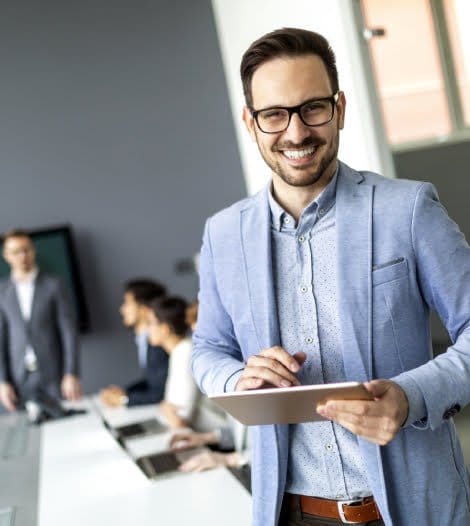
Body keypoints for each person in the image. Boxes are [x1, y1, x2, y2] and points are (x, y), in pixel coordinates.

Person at [192, 27, 470, 526]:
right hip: (292, 513)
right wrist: (238, 378)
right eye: (274, 114)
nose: (296, 133)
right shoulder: (223, 234)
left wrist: (410, 398)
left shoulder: (407, 209)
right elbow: (208, 349)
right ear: (250, 123)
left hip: (412, 509)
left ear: (339, 108)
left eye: (313, 108)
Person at [0, 229, 81, 411]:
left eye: (26, 249)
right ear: (6, 256)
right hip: (18, 377)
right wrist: (2, 381)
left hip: (54, 374)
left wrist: (71, 373)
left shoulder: (54, 285)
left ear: (33, 250)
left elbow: (68, 331)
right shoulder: (2, 292)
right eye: (15, 252)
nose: (22, 256)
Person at [100, 279, 169, 407]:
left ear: (144, 309)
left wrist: (124, 399)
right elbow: (151, 381)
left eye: (127, 303)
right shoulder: (145, 340)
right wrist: (124, 392)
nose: (122, 309)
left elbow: (160, 392)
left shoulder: (158, 344)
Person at [147, 295, 199, 429]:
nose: (148, 329)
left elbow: (180, 420)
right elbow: (168, 407)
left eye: (151, 323)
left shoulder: (185, 352)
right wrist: (166, 408)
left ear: (165, 329)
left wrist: (165, 407)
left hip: (201, 436)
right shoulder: (179, 351)